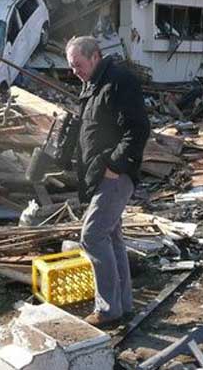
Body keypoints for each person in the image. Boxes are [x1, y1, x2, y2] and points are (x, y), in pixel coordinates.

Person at [65, 36, 150, 327]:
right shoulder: (94, 84)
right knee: (111, 237)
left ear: (95, 57)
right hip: (100, 173)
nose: (74, 71)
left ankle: (108, 308)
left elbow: (138, 129)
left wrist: (115, 166)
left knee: (92, 236)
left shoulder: (118, 81)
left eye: (78, 64)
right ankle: (122, 305)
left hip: (115, 174)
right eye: (71, 66)